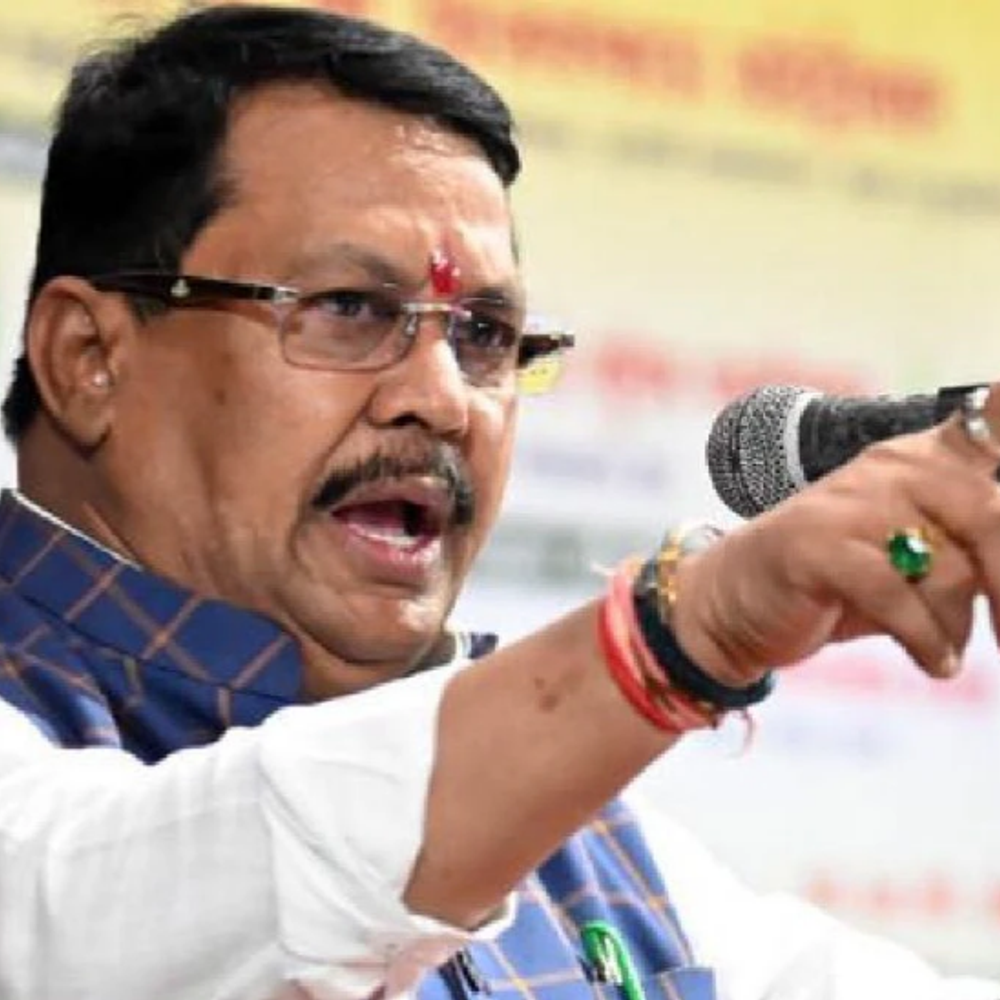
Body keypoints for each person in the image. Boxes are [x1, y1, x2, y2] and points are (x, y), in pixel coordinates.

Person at [0, 4, 996, 998]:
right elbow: (106, 918)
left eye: (482, 334)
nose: (441, 400)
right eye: (349, 309)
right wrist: (685, 632)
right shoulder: (48, 800)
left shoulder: (594, 858)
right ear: (88, 358)